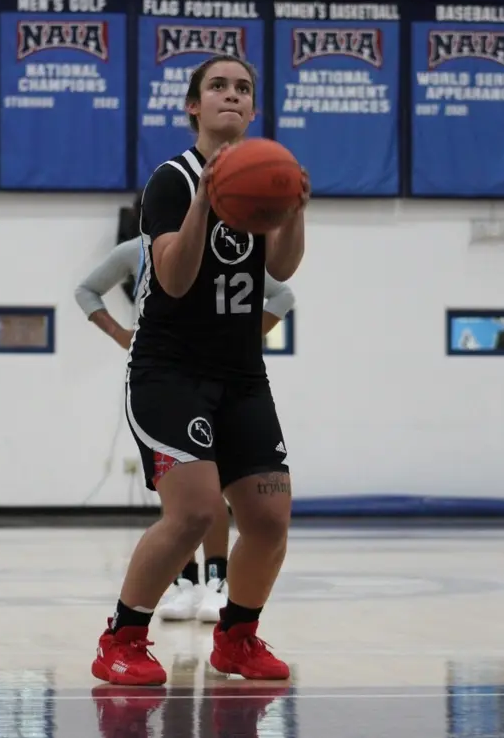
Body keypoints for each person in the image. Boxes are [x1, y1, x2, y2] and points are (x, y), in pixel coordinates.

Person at [90, 53, 308, 686]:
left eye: (243, 88)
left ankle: (238, 638)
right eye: (218, 87)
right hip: (169, 371)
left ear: (254, 107)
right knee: (193, 513)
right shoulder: (171, 180)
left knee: (269, 518)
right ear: (194, 105)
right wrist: (205, 205)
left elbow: (284, 272)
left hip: (241, 374)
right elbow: (177, 279)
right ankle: (122, 639)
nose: (232, 96)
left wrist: (294, 206)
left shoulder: (263, 176)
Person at [74, 227, 297, 624]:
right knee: (185, 498)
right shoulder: (135, 252)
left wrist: (240, 341)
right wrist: (120, 335)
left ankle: (216, 581)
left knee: (213, 497)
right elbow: (86, 291)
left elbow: (283, 294)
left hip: (224, 379)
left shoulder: (227, 247)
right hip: (166, 380)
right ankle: (184, 582)